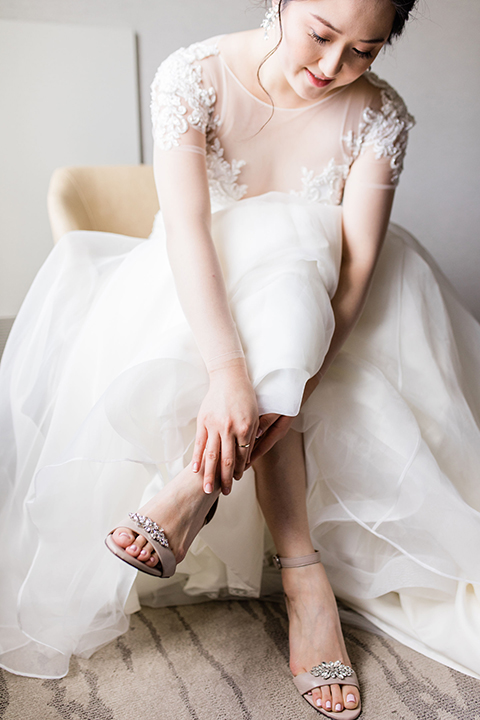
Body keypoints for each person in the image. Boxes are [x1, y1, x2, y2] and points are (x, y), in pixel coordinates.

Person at [1, 0, 479, 716]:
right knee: (273, 273)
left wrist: (295, 385)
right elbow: (188, 232)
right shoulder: (191, 76)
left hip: (333, 318)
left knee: (294, 273)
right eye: (321, 35)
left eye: (364, 51)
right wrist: (229, 375)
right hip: (197, 295)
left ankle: (197, 484)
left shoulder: (382, 116)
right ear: (282, 2)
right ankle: (303, 573)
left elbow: (354, 274)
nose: (332, 67)